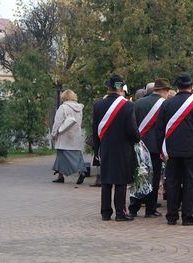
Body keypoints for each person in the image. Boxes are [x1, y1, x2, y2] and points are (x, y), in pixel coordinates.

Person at [158, 72, 193, 226]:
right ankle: (188, 217)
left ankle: (172, 216)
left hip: (172, 150)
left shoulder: (167, 103)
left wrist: (162, 149)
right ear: (192, 86)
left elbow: (160, 129)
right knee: (190, 183)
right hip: (192, 151)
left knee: (172, 182)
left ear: (177, 86)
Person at [92, 74, 140, 221]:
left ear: (108, 87)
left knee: (106, 181)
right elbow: (132, 130)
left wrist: (96, 150)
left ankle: (105, 213)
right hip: (123, 148)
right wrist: (137, 139)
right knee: (121, 181)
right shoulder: (127, 105)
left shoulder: (98, 104)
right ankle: (120, 213)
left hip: (105, 147)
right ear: (121, 88)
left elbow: (95, 130)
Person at [129, 79, 171, 218]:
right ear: (164, 90)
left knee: (139, 175)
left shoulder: (138, 103)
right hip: (155, 147)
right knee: (154, 178)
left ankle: (133, 207)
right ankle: (150, 209)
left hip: (139, 145)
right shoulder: (165, 104)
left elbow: (132, 124)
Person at [50, 89, 86, 185]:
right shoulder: (79, 108)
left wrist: (54, 134)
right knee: (77, 156)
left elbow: (57, 123)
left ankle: (62, 176)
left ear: (64, 97)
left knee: (61, 155)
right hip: (75, 136)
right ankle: (80, 172)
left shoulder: (63, 108)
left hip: (64, 137)